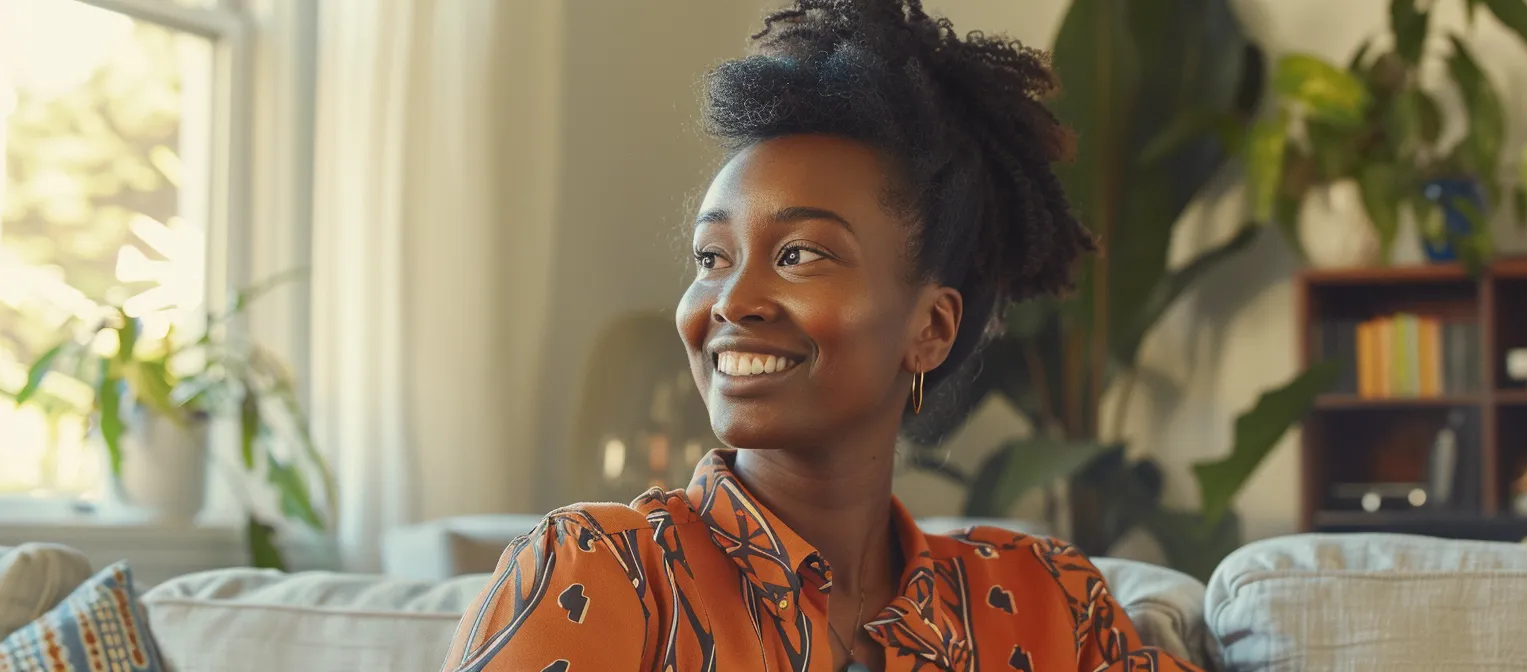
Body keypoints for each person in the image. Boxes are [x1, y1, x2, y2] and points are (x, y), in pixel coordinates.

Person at [441, 1, 1203, 670]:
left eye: (799, 254)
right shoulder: (605, 573)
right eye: (712, 258)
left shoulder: (1048, 603)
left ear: (930, 329)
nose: (732, 299)